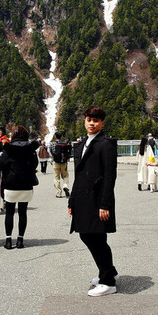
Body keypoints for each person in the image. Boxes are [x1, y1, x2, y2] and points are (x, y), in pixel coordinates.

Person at [68, 106, 118, 297]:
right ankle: (108, 271)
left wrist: (104, 204)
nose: (92, 123)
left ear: (102, 123)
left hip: (97, 200)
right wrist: (72, 201)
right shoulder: (82, 144)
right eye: (89, 119)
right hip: (83, 198)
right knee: (92, 236)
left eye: (96, 120)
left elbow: (109, 176)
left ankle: (108, 281)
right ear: (84, 121)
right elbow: (78, 176)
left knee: (93, 237)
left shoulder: (106, 144)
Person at [0, 125, 38, 249]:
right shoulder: (31, 149)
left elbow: (1, 164)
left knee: (9, 212)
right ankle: (20, 240)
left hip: (10, 184)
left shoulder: (8, 149)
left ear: (13, 135)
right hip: (26, 184)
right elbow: (35, 164)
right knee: (23, 212)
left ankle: (8, 241)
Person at [49, 131, 71, 198]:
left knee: (56, 177)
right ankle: (65, 186)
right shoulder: (64, 143)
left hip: (56, 162)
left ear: (55, 136)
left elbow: (51, 152)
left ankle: (59, 193)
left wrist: (53, 159)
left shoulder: (52, 143)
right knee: (65, 176)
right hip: (64, 162)